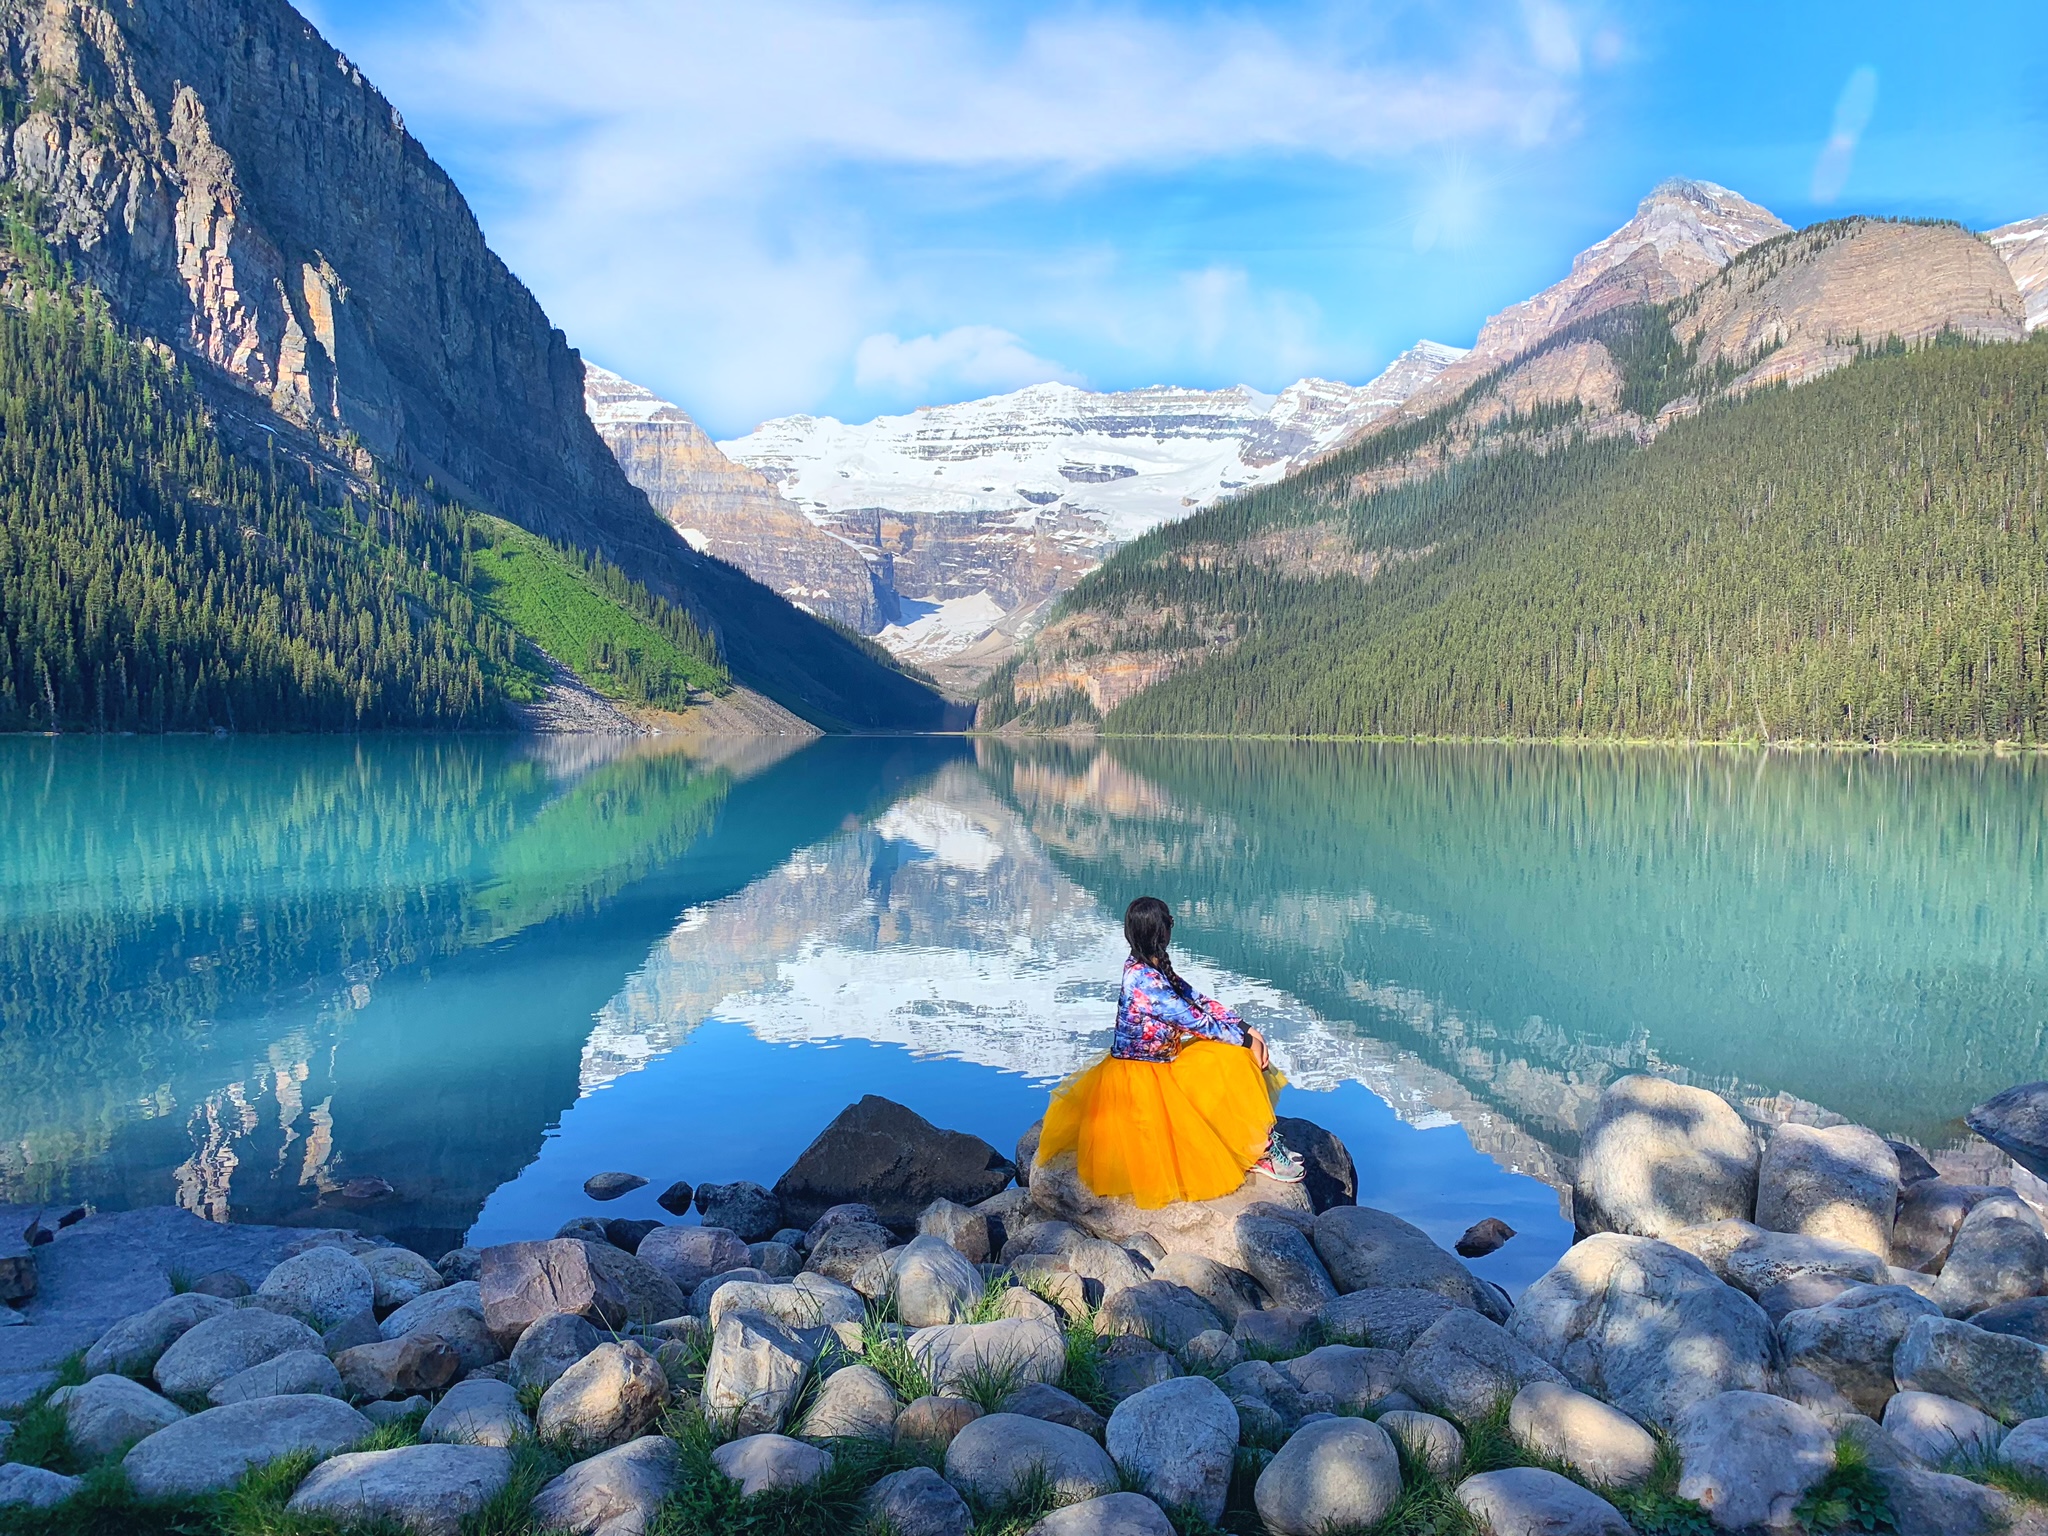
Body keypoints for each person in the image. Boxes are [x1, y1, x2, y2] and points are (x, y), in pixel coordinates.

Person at [1036, 895, 1305, 1208]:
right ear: (1161, 933)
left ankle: (1253, 1139)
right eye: (1169, 922)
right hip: (1144, 1076)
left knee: (1230, 1050)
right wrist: (1246, 1042)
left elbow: (1194, 998)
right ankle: (1259, 1150)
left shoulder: (1148, 965)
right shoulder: (1143, 979)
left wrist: (1244, 1027)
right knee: (1235, 1057)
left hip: (1159, 1062)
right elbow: (1191, 1018)